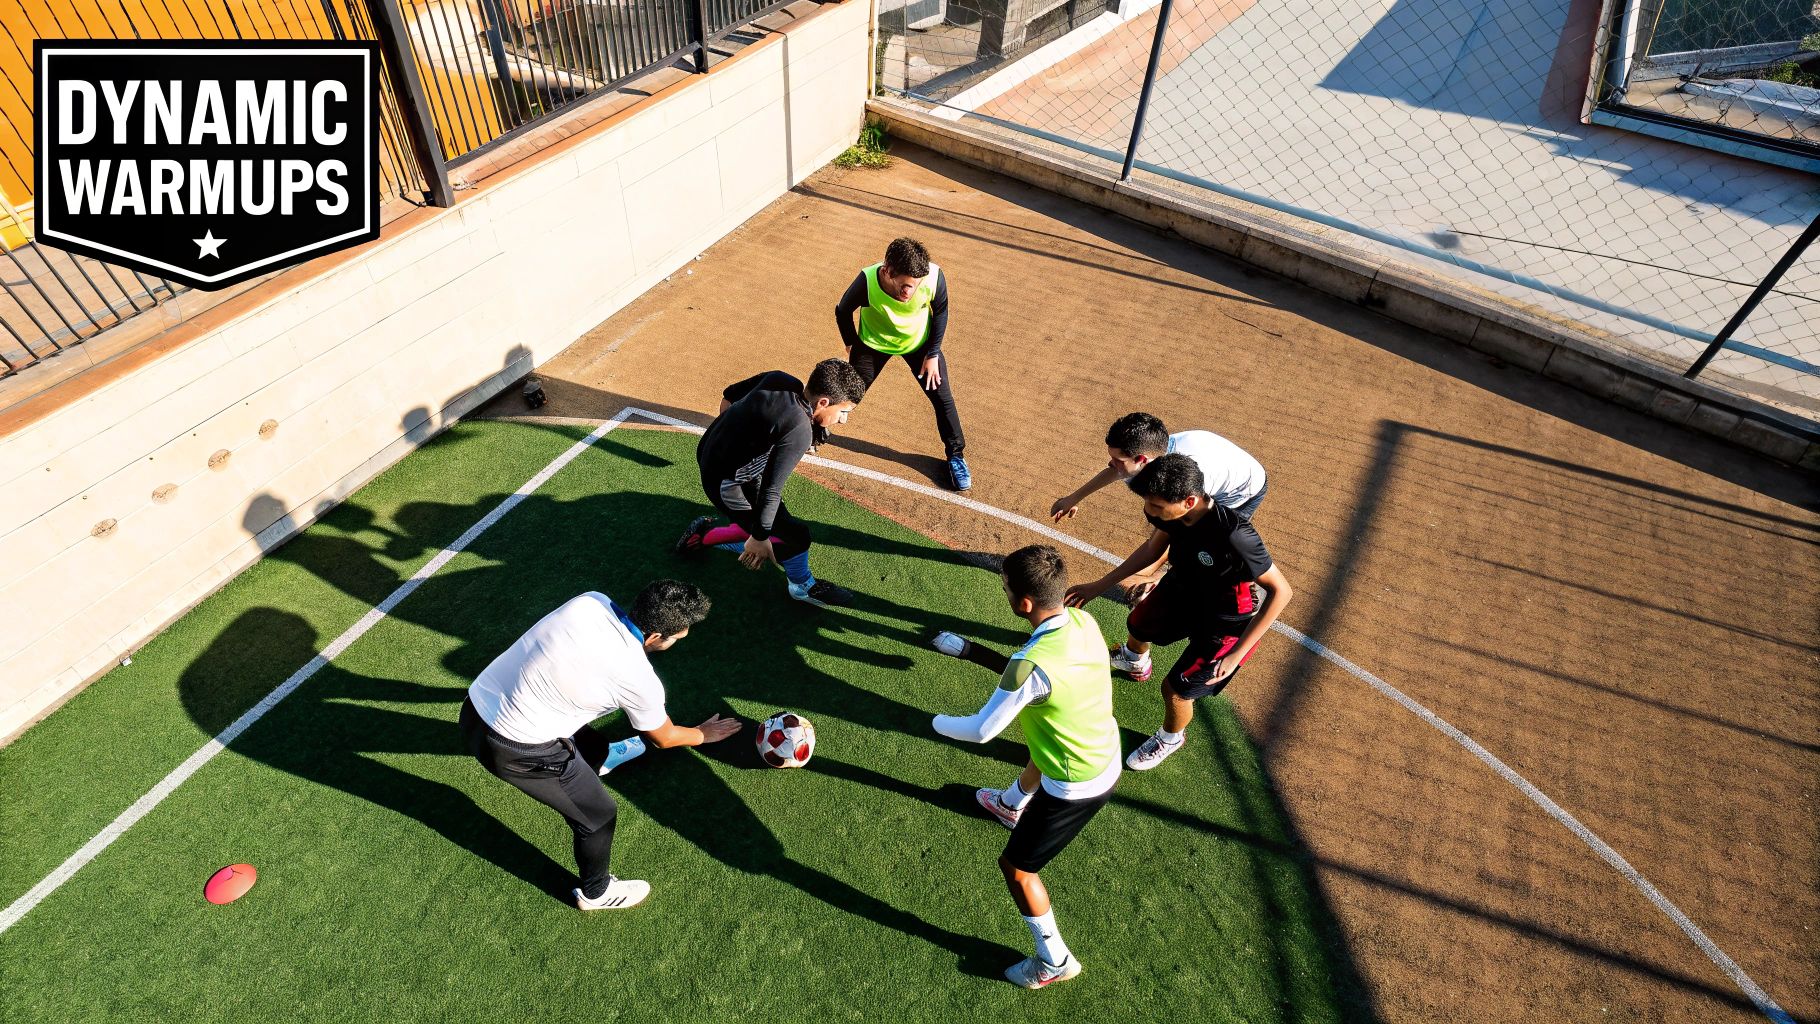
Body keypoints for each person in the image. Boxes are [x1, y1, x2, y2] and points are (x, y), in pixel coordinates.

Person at [459, 581, 741, 909]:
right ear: (654, 638)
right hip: (514, 750)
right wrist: (702, 734)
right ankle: (596, 892)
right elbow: (663, 737)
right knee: (598, 816)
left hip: (473, 707)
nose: (680, 638)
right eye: (679, 635)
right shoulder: (640, 680)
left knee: (579, 718)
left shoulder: (590, 602)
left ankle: (601, 758)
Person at [929, 544, 1121, 989]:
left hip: (1078, 782)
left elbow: (981, 731)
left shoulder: (1031, 665)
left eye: (1005, 587)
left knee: (1018, 869)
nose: (1004, 592)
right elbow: (1041, 683)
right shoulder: (1082, 620)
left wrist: (935, 722)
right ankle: (1010, 803)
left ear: (1024, 603)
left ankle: (1054, 959)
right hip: (1098, 743)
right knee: (1039, 742)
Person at [1064, 454, 1292, 772]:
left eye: (1156, 507)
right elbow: (1151, 550)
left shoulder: (1234, 535)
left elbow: (1282, 591)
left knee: (1177, 690)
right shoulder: (1170, 515)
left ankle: (1171, 737)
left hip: (1226, 620)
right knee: (1139, 624)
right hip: (1183, 589)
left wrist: (1236, 654)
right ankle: (1133, 659)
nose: (1150, 512)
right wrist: (1098, 586)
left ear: (1189, 501)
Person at [675, 358, 868, 607]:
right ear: (823, 403)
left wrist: (736, 442)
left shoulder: (780, 380)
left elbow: (728, 398)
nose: (843, 420)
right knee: (794, 537)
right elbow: (771, 489)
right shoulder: (799, 429)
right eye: (843, 412)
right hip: (730, 484)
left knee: (770, 523)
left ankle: (714, 533)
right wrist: (759, 538)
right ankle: (801, 587)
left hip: (710, 455)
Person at [834, 237, 972, 492]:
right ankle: (815, 431)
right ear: (887, 272)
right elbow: (842, 311)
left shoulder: (933, 277)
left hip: (919, 345)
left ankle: (956, 456)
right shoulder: (866, 281)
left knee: (942, 399)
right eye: (906, 286)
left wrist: (932, 354)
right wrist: (851, 344)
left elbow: (940, 311)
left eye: (915, 286)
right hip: (873, 344)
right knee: (848, 395)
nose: (910, 293)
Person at [1050, 412, 1266, 523]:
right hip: (1221, 470)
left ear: (1142, 459)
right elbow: (1114, 471)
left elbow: (1186, 519)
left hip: (1241, 490)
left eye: (1118, 459)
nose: (1112, 463)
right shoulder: (1150, 455)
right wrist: (1073, 498)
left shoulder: (1188, 477)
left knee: (1211, 542)